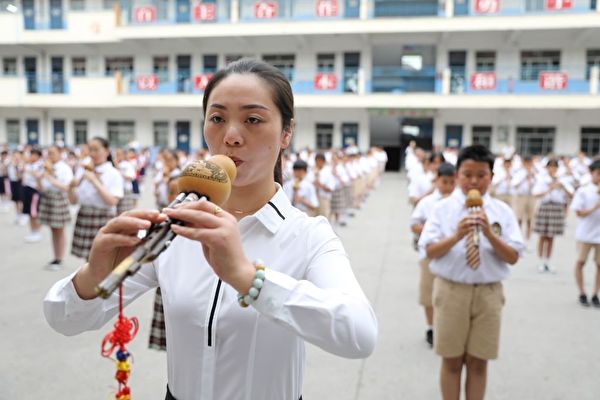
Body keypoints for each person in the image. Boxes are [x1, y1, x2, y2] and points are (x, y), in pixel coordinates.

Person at [44, 58, 377, 400]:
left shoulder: (308, 235)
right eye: (217, 118)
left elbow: (360, 334)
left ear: (286, 133)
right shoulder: (176, 225)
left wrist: (248, 278)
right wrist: (94, 272)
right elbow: (64, 319)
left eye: (253, 119)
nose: (231, 136)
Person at [419, 145, 524, 400]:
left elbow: (513, 257)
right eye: (467, 174)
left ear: (491, 176)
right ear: (457, 175)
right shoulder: (442, 209)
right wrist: (457, 235)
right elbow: (430, 251)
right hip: (451, 290)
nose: (474, 181)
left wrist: (489, 233)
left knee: (479, 362)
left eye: (481, 174)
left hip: (488, 293)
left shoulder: (502, 211)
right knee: (452, 361)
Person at [410, 162, 456, 347]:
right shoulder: (427, 202)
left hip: (452, 254)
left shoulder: (458, 203)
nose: (448, 186)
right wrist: (431, 229)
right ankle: (431, 327)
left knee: (450, 294)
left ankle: (446, 326)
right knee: (428, 294)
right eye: (444, 182)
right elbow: (414, 224)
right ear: (436, 181)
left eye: (452, 182)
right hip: (430, 255)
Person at [68, 137, 124, 260]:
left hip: (103, 217)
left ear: (106, 151)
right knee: (87, 259)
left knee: (102, 258)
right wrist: (70, 188)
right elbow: (73, 201)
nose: (92, 153)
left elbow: (112, 201)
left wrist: (94, 180)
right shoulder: (82, 170)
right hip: (84, 214)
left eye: (96, 149)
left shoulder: (113, 173)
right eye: (90, 149)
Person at [532, 159, 573, 273]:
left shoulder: (562, 180)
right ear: (547, 168)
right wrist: (549, 188)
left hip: (556, 208)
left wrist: (562, 186)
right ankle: (540, 261)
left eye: (555, 167)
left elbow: (571, 194)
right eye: (550, 166)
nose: (552, 169)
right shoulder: (542, 179)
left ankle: (547, 262)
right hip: (545, 207)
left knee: (551, 237)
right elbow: (535, 193)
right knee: (542, 236)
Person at [37, 145, 74, 270]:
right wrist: (40, 178)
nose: (50, 155)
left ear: (60, 153)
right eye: (48, 153)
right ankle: (56, 257)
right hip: (47, 197)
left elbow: (66, 187)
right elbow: (41, 187)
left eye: (52, 153)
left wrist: (50, 178)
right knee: (53, 230)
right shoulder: (46, 167)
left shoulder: (64, 168)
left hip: (58, 198)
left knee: (59, 229)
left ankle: (60, 258)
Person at [569, 160, 600, 307]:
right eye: (598, 174)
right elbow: (578, 213)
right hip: (585, 234)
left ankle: (595, 294)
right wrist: (595, 207)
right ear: (592, 173)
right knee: (580, 262)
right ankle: (582, 292)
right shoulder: (583, 191)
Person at [22, 148, 44, 242]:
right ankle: (33, 231)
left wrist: (28, 170)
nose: (32, 157)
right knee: (29, 213)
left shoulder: (40, 165)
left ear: (38, 156)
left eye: (34, 155)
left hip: (34, 190)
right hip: (27, 188)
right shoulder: (29, 164)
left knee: (34, 212)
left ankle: (37, 232)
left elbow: (38, 176)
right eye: (32, 155)